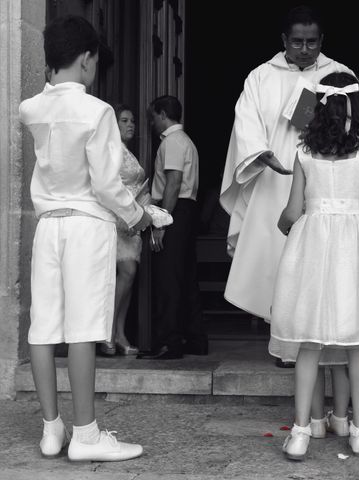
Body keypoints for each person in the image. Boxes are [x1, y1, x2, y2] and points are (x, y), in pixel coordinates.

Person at [20, 14, 151, 461]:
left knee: (43, 328)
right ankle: (87, 434)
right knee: (81, 327)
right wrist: (139, 217)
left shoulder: (31, 108)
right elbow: (108, 185)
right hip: (87, 225)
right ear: (87, 60)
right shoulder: (98, 111)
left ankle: (51, 429)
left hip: (49, 224)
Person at [270, 71, 359, 461]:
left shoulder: (302, 151)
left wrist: (286, 228)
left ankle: (300, 432)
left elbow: (292, 210)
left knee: (309, 343)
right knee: (357, 343)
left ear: (318, 109)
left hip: (314, 243)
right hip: (356, 246)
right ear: (356, 107)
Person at [220, 4, 359, 325]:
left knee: (323, 262)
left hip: (326, 182)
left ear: (322, 39)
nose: (305, 50)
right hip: (273, 180)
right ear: (283, 39)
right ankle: (283, 334)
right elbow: (246, 121)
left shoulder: (339, 74)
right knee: (277, 254)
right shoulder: (261, 76)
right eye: (296, 42)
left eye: (312, 42)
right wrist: (257, 152)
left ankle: (321, 333)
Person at [138, 95, 206, 360]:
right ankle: (195, 339)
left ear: (163, 114)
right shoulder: (185, 140)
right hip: (186, 210)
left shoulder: (174, 142)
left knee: (168, 278)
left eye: (153, 117)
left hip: (175, 210)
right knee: (186, 276)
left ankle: (169, 342)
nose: (152, 123)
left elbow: (174, 182)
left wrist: (162, 221)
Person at [99, 104, 148, 356]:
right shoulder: (110, 150)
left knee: (129, 276)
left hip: (133, 224)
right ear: (114, 125)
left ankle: (120, 332)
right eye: (125, 121)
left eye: (132, 121)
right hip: (118, 222)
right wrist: (125, 218)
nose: (131, 125)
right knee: (126, 273)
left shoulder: (128, 152)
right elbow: (107, 187)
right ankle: (106, 332)